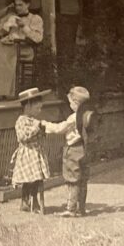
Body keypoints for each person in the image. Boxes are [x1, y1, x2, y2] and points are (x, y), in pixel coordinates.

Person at [42, 86, 95, 217]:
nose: (70, 105)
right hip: (84, 149)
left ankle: (71, 209)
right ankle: (81, 208)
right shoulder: (87, 116)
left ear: (76, 103)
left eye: (71, 102)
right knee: (82, 179)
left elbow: (60, 128)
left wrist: (45, 125)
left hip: (73, 150)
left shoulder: (73, 117)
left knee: (72, 179)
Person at [11, 87, 51, 214]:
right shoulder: (21, 121)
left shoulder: (35, 121)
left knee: (37, 177)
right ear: (28, 106)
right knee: (29, 178)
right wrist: (36, 129)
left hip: (36, 151)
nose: (39, 111)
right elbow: (23, 137)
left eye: (40, 108)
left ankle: (35, 201)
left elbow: (39, 133)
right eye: (37, 108)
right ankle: (25, 200)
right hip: (27, 152)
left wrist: (42, 131)